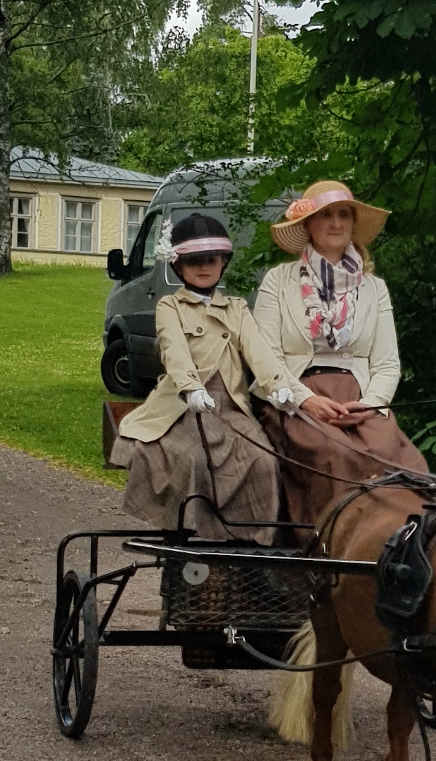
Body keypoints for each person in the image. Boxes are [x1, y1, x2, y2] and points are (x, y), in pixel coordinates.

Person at [110, 213, 317, 543]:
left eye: (211, 260)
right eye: (193, 262)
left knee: (263, 460)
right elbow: (174, 350)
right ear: (179, 267)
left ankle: (255, 546)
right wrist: (191, 387)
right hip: (184, 407)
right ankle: (191, 538)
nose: (203, 267)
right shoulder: (170, 307)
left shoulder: (236, 308)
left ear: (223, 263)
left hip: (229, 408)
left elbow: (258, 350)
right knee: (192, 460)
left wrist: (277, 384)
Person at [253, 180, 430, 526]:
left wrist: (371, 403)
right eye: (325, 215)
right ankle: (326, 552)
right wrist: (306, 400)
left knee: (401, 461)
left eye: (343, 215)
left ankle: (394, 553)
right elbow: (266, 358)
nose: (336, 223)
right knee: (331, 453)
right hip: (295, 396)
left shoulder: (374, 288)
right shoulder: (278, 281)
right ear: (307, 225)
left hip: (358, 398)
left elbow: (387, 362)